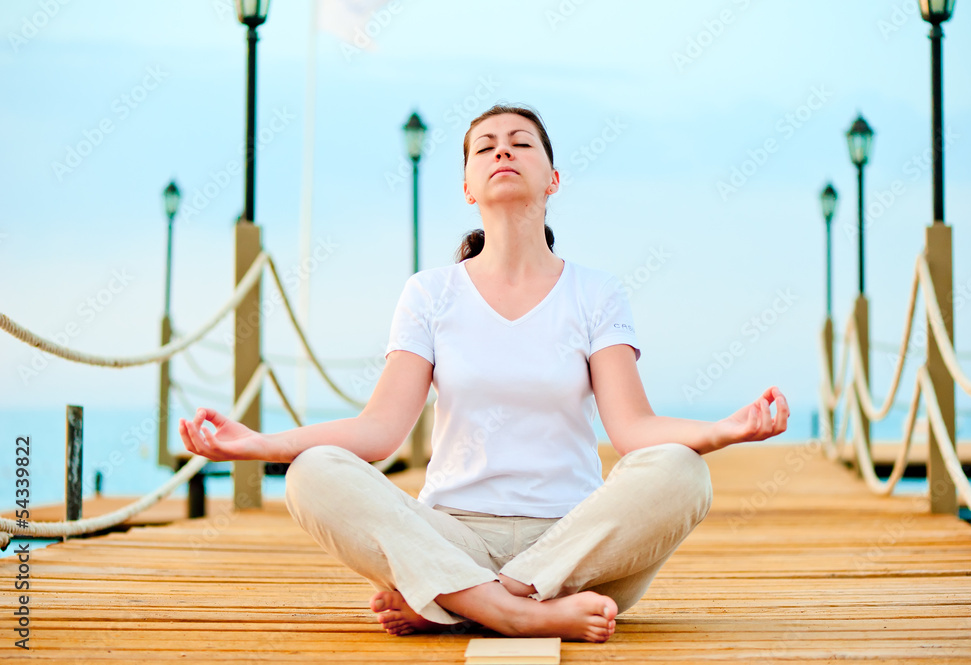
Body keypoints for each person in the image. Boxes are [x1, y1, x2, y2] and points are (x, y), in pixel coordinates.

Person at [178, 103, 790, 644]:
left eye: (521, 142)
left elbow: (633, 431)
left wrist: (726, 430)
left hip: (576, 547)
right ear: (468, 185)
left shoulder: (595, 293)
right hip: (447, 535)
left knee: (683, 471)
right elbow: (379, 431)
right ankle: (517, 612)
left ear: (552, 179)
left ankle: (457, 601)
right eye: (485, 146)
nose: (503, 149)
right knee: (313, 473)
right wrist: (258, 446)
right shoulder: (429, 294)